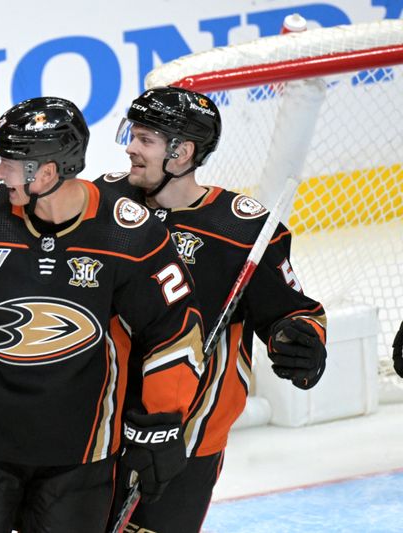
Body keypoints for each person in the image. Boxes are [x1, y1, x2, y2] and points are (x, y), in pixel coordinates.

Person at [0, 96, 205, 533]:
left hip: (78, 460)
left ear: (45, 173)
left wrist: (164, 420)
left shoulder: (131, 235)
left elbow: (174, 332)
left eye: (7, 163)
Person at [97, 86, 328, 532]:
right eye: (132, 134)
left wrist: (299, 340)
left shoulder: (242, 231)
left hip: (186, 438)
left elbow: (294, 311)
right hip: (96, 426)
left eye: (145, 139)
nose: (130, 148)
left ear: (182, 153)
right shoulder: (102, 204)